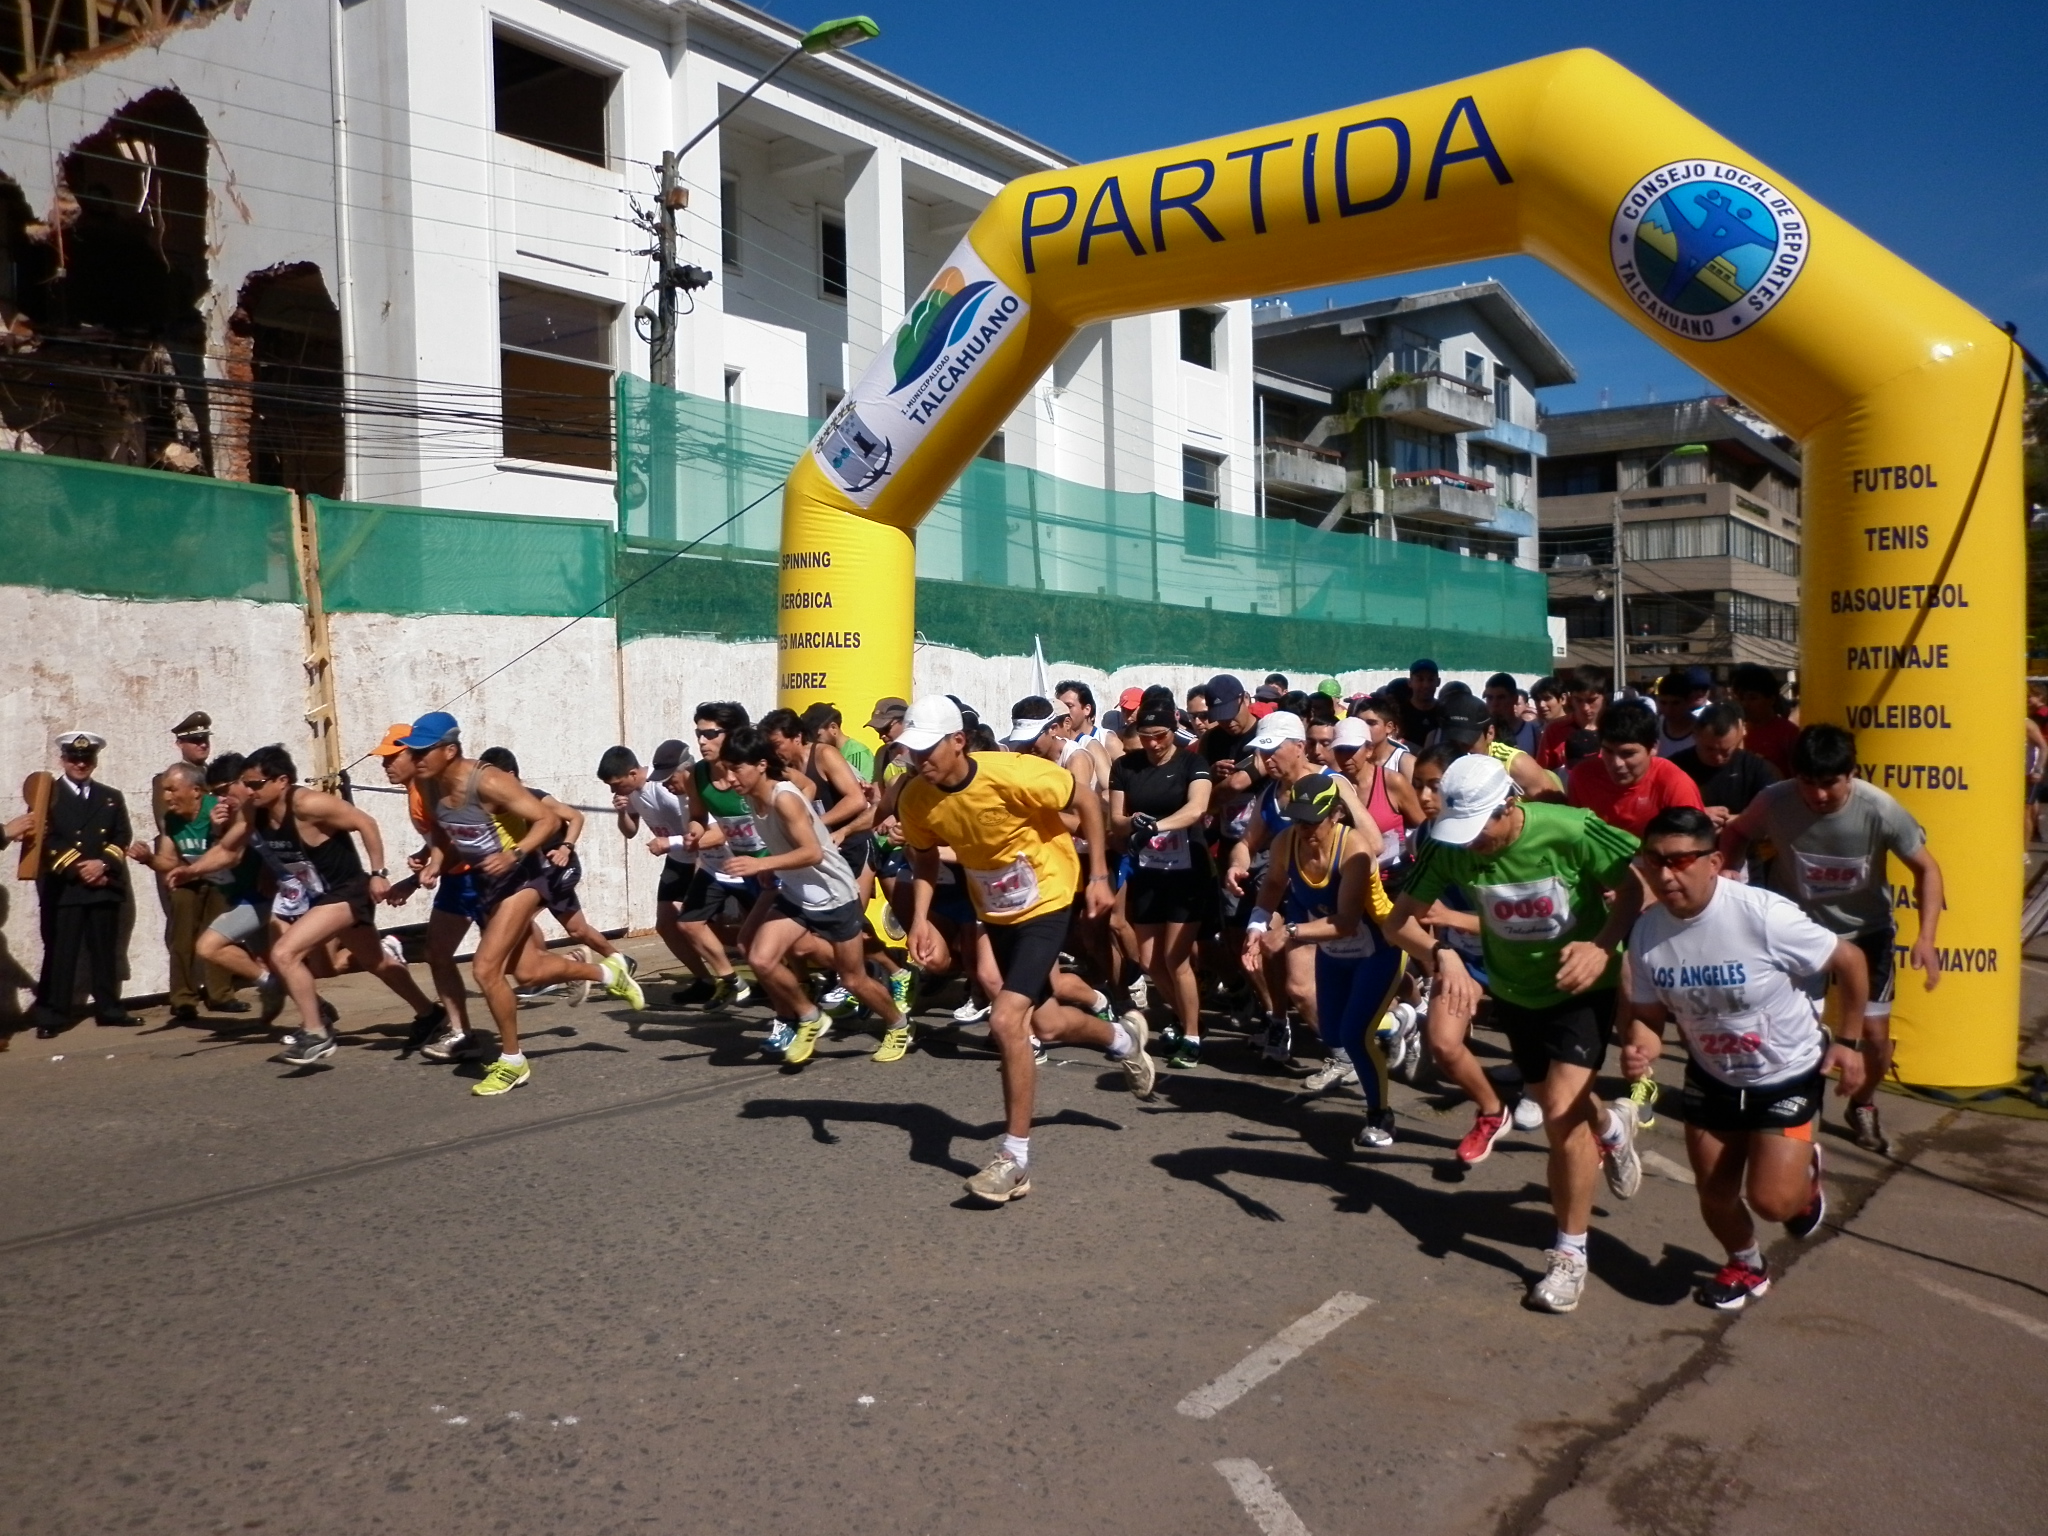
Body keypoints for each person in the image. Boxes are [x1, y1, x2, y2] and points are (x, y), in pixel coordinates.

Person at [1385, 754, 1647, 1315]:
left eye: (1480, 828)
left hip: (1581, 987)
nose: (1472, 844)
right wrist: (1442, 956)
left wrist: (1602, 946)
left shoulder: (1571, 828)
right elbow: (1398, 921)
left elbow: (1638, 884)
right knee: (1564, 1106)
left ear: (1510, 804)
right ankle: (1612, 1126)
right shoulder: (1448, 845)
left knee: (1559, 1115)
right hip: (1515, 992)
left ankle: (1569, 1254)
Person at [897, 695, 1152, 1204]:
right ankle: (1122, 1040)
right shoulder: (916, 798)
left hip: (1049, 895)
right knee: (1047, 1023)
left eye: (928, 748)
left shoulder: (1014, 773)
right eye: (912, 750)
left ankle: (1014, 1160)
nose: (919, 759)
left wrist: (1099, 876)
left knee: (1006, 1018)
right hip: (996, 910)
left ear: (958, 741)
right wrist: (920, 920)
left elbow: (1087, 802)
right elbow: (923, 860)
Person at [1620, 807, 1869, 1309]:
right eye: (1654, 861)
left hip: (1786, 1074)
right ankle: (1746, 1265)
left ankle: (1804, 1178)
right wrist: (1639, 1048)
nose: (1665, 875)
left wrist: (1850, 1041)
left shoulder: (1762, 915)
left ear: (1713, 862)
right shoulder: (1647, 933)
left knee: (1773, 1202)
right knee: (1714, 1192)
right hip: (1712, 1075)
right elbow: (1647, 1018)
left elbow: (1850, 960)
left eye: (1679, 860)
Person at [1719, 724, 1944, 1154]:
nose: (1818, 794)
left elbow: (1927, 869)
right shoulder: (1774, 799)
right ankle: (1779, 1106)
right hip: (1796, 931)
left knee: (1874, 1038)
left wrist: (1927, 937)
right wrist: (1730, 865)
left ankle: (1863, 1103)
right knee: (1784, 1028)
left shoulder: (1879, 808)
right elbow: (1738, 831)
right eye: (1808, 782)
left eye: (1830, 783)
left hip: (1866, 932)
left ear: (1851, 774)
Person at [401, 714, 643, 1093]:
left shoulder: (489, 781)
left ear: (449, 750)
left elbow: (548, 820)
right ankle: (608, 974)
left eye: (422, 751)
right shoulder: (427, 783)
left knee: (485, 970)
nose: (414, 759)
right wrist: (433, 863)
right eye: (412, 752)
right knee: (528, 973)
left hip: (523, 878)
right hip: (487, 883)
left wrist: (515, 853)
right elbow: (446, 834)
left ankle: (512, 1061)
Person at [171, 743, 441, 1064]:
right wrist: (192, 870)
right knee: (376, 962)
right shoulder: (255, 811)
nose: (249, 791)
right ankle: (430, 1013)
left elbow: (365, 822)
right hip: (317, 894)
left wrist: (378, 874)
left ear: (281, 781)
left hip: (347, 890)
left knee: (284, 953)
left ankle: (316, 1033)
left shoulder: (308, 803)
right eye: (246, 784)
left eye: (255, 784)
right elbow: (229, 850)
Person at [715, 727, 912, 1064]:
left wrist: (761, 863)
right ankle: (810, 1016)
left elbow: (813, 853)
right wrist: (771, 867)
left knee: (853, 979)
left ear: (761, 765)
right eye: (727, 769)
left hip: (834, 894)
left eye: (737, 769)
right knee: (760, 958)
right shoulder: (752, 795)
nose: (730, 778)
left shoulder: (785, 799)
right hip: (796, 893)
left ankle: (898, 1025)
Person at [1247, 776, 1406, 1146]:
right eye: (1298, 820)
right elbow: (1273, 884)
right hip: (1334, 954)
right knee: (1332, 1033)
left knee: (1355, 1036)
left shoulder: (1355, 849)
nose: (1304, 830)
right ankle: (1398, 1022)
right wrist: (1257, 924)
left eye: (1312, 821)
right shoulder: (1286, 841)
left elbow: (1346, 922)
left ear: (1335, 814)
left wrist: (1288, 932)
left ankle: (1380, 1116)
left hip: (1378, 947)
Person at [1112, 700, 1218, 1068]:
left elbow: (1197, 808)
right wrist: (1133, 822)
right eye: (1146, 737)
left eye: (1160, 736)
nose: (1154, 744)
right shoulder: (1125, 766)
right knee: (1149, 960)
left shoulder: (1192, 762)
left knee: (1176, 957)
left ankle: (1192, 1035)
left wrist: (1157, 826)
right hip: (1149, 872)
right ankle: (1187, 1016)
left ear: (1173, 731)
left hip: (1187, 872)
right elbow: (1115, 820)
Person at [26, 731, 139, 1037]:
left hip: (103, 884)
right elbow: (44, 839)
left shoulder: (111, 796)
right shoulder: (46, 796)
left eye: (86, 758)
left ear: (95, 761)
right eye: (74, 758)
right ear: (63, 759)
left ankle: (109, 1009)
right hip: (65, 888)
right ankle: (51, 1016)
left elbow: (121, 836)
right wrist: (80, 869)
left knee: (105, 952)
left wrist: (102, 864)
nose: (80, 764)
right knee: (61, 954)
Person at [128, 761, 243, 1020]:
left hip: (222, 878)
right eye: (164, 790)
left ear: (196, 791)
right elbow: (168, 861)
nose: (166, 797)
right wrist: (148, 859)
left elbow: (234, 848)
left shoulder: (219, 808)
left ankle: (221, 994)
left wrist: (218, 829)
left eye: (172, 789)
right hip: (188, 876)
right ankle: (183, 999)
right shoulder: (172, 819)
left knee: (219, 934)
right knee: (181, 936)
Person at [1567, 701, 1706, 837]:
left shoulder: (1676, 785)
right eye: (1608, 751)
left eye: (1628, 753)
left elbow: (1692, 843)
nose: (1617, 763)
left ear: (1653, 748)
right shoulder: (1582, 776)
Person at [1669, 703, 1779, 830]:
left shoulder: (1756, 768)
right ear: (1695, 735)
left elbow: (1774, 811)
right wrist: (1696, 815)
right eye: (1709, 749)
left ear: (1739, 737)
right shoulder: (1674, 768)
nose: (1718, 757)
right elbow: (1659, 812)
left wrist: (1738, 820)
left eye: (1725, 751)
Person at [1440, 693, 1564, 803]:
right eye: (1452, 742)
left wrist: (1517, 816)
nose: (1461, 751)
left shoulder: (1516, 764)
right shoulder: (1442, 761)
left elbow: (1560, 808)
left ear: (1490, 733)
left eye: (1467, 742)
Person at [1728, 664, 1799, 775]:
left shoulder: (1789, 734)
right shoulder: (1733, 732)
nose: (1745, 704)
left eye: (1753, 698)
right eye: (1741, 698)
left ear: (1771, 700)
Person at [1537, 667, 1608, 776]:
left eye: (1591, 700)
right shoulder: (1554, 730)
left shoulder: (1616, 727)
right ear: (1571, 698)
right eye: (1578, 700)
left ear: (1604, 697)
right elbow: (1543, 774)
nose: (1585, 708)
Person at [1652, 666, 1713, 758]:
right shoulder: (1653, 728)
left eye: (1675, 703)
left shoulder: (1702, 733)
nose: (1668, 709)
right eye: (1663, 703)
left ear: (1688, 701)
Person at [1484, 673, 1540, 754]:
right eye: (1489, 698)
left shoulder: (1532, 731)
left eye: (1501, 697)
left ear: (1515, 699)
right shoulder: (1480, 732)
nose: (1494, 703)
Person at [1397, 659, 1445, 748]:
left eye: (1430, 679)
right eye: (1420, 679)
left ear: (1438, 682)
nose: (1426, 685)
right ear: (1410, 682)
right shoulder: (1399, 712)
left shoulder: (1445, 712)